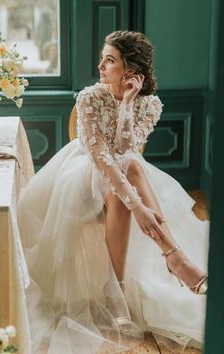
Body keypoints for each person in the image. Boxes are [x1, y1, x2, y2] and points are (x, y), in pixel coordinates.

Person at [18, 31, 209, 354]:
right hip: (80, 174)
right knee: (124, 178)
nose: (100, 65)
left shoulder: (150, 104)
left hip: (121, 177)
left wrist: (127, 106)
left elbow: (126, 149)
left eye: (110, 60)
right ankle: (174, 257)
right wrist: (139, 206)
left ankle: (115, 289)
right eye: (103, 58)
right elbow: (101, 157)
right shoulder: (89, 97)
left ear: (132, 70)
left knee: (130, 172)